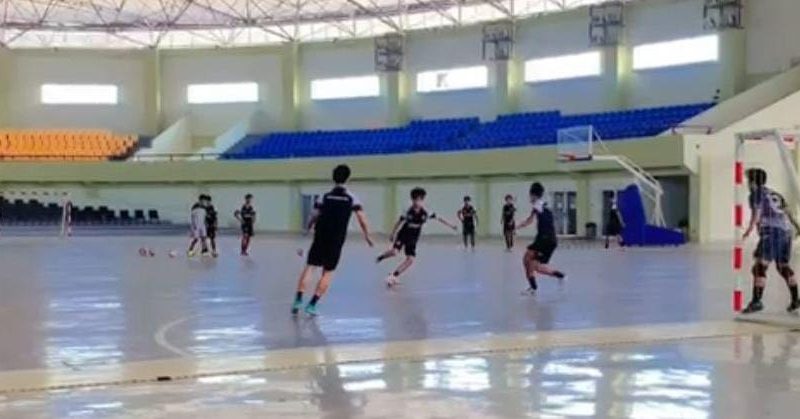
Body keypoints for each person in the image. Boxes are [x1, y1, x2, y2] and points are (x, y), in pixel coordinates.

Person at [292, 165, 374, 316]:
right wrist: (367, 236)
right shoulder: (351, 198)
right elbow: (362, 218)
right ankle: (312, 305)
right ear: (348, 178)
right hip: (336, 239)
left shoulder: (324, 196)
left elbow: (314, 215)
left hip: (321, 235)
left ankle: (298, 300)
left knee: (311, 267)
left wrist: (308, 228)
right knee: (328, 271)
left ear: (333, 178)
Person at [742, 168, 800, 314]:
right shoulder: (775, 194)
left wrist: (748, 230)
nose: (747, 183)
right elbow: (788, 212)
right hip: (786, 232)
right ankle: (796, 299)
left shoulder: (756, 193)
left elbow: (757, 213)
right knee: (783, 266)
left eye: (748, 180)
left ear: (753, 182)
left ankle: (756, 301)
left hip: (772, 232)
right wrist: (797, 227)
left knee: (759, 267)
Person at [376, 187, 457, 286]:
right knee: (394, 252)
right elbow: (399, 222)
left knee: (410, 259)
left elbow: (439, 219)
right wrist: (392, 234)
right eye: (415, 200)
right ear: (412, 200)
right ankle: (381, 257)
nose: (417, 202)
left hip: (414, 236)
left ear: (422, 200)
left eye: (420, 200)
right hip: (404, 233)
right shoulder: (407, 210)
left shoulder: (426, 211)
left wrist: (451, 225)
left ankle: (394, 275)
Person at [516, 182, 566, 295]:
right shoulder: (544, 206)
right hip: (551, 240)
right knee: (535, 266)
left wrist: (517, 226)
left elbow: (529, 220)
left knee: (527, 259)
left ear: (533, 195)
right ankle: (560, 275)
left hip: (544, 239)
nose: (529, 198)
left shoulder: (537, 205)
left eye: (530, 195)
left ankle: (532, 288)